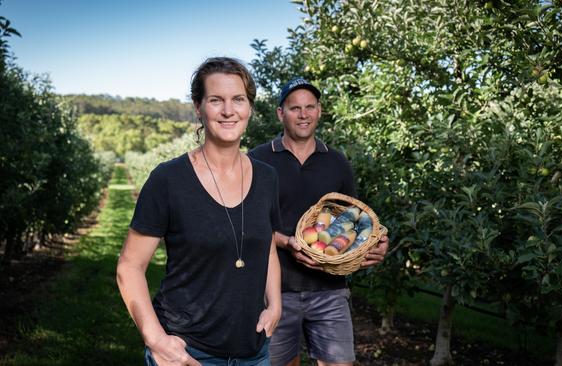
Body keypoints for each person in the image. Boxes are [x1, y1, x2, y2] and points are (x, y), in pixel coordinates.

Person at [116, 57, 282, 366]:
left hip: (254, 352)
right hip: (188, 353)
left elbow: (267, 245)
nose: (228, 111)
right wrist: (156, 339)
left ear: (250, 108)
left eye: (238, 100)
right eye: (216, 100)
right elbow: (129, 266)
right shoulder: (168, 180)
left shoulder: (267, 177)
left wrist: (275, 304)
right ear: (198, 107)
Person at [248, 77, 389, 366]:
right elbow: (248, 224)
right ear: (280, 113)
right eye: (295, 108)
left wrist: (374, 244)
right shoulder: (257, 161)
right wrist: (287, 242)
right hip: (275, 291)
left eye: (310, 107)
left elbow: (355, 220)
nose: (303, 114)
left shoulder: (337, 163)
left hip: (330, 291)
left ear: (319, 111)